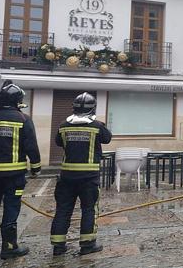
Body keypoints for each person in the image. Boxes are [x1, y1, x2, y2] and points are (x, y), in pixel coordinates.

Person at [50, 92, 111, 256]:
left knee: (63, 209)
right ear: (93, 108)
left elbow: (58, 142)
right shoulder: (97, 126)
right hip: (88, 178)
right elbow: (107, 138)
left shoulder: (63, 125)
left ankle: (58, 245)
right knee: (89, 209)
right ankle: (87, 244)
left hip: (67, 177)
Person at [0, 83, 41, 260]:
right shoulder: (23, 119)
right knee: (11, 209)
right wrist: (36, 168)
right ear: (17, 101)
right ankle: (9, 247)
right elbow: (31, 147)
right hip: (14, 176)